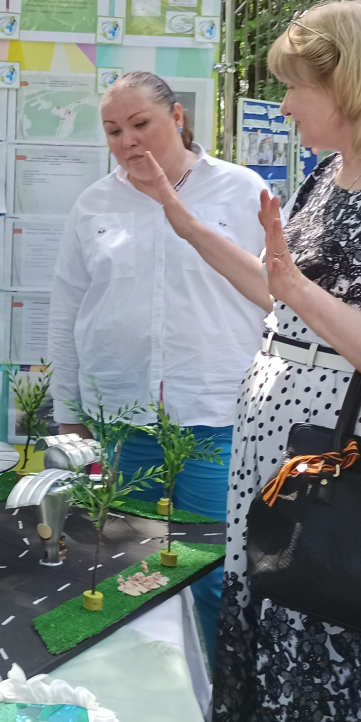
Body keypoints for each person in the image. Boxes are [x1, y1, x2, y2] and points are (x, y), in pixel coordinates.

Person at [122, 0, 361, 722]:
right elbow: (277, 288)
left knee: (341, 637)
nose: (284, 104)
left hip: (358, 458)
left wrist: (295, 290)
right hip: (282, 444)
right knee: (275, 623)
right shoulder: (328, 175)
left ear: (349, 85)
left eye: (295, 86)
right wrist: (185, 221)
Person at [48, 71, 268, 661]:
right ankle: (146, 693)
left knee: (215, 570)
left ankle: (225, 706)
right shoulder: (96, 201)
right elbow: (68, 308)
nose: (126, 140)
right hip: (122, 416)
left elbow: (278, 296)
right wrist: (68, 411)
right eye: (113, 130)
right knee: (126, 568)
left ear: (177, 118)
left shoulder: (241, 191)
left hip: (214, 413)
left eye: (140, 123)